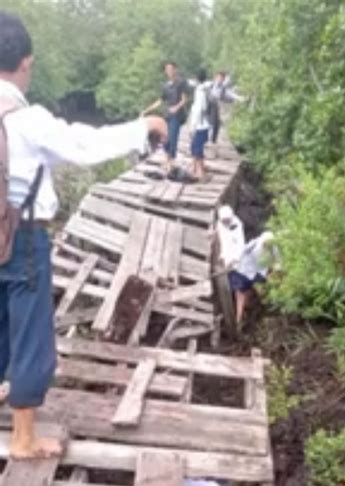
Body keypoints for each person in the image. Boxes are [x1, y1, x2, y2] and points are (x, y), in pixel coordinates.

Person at [0, 11, 167, 459]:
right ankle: (22, 438)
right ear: (27, 63)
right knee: (31, 330)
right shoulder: (28, 119)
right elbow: (83, 145)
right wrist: (141, 129)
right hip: (24, 240)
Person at [142, 61, 187, 171]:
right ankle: (168, 160)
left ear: (175, 69)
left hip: (177, 115)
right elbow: (160, 101)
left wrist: (176, 107)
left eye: (171, 69)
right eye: (167, 69)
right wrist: (146, 110)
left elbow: (184, 99)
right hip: (168, 115)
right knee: (166, 139)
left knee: (173, 137)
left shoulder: (181, 83)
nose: (169, 71)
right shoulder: (166, 86)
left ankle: (171, 163)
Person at [229, 231, 278, 325]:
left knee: (253, 292)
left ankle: (256, 309)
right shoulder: (254, 244)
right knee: (240, 294)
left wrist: (274, 271)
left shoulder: (273, 247)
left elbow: (278, 261)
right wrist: (234, 261)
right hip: (245, 271)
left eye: (270, 243)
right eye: (266, 243)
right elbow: (242, 253)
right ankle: (239, 318)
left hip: (259, 273)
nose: (267, 245)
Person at [189, 68, 211, 181]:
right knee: (196, 149)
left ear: (197, 78)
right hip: (205, 125)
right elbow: (191, 82)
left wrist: (192, 127)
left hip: (200, 125)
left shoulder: (199, 92)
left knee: (197, 150)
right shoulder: (204, 88)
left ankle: (200, 173)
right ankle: (196, 170)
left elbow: (198, 110)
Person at [216, 204, 245, 272]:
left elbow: (240, 244)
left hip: (235, 261)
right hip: (225, 258)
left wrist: (234, 259)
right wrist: (222, 255)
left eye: (227, 220)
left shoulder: (237, 226)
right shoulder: (220, 224)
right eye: (224, 220)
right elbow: (223, 241)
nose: (225, 222)